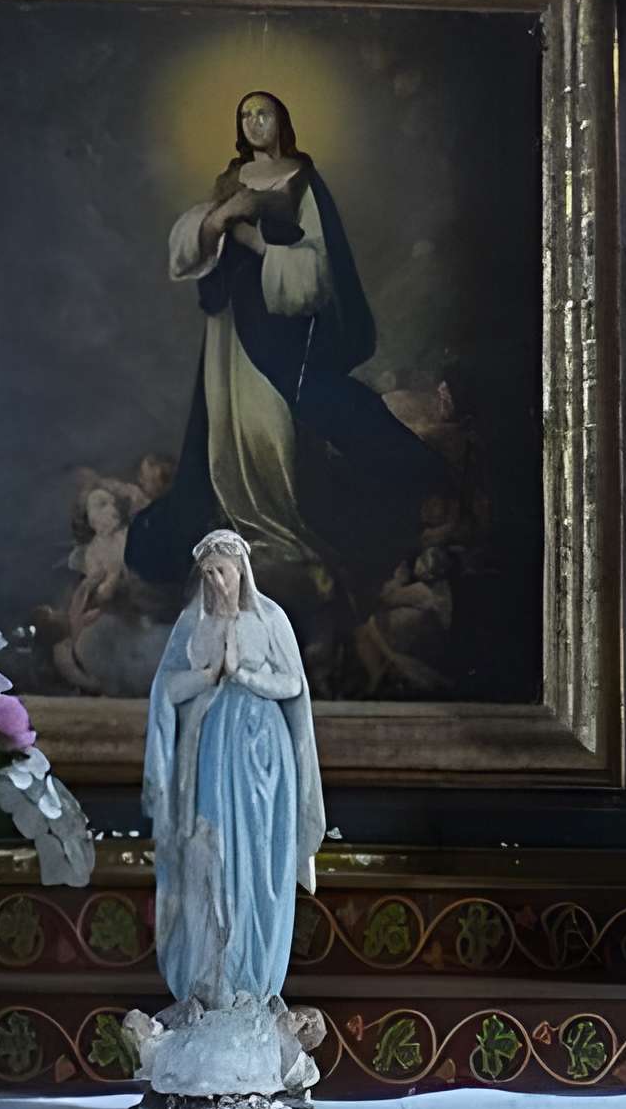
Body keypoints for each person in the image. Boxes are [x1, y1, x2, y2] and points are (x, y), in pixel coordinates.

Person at [124, 87, 435, 599]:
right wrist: (221, 219)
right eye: (245, 114)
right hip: (227, 325)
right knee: (226, 420)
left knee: (272, 420)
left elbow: (318, 264)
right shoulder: (231, 178)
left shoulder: (302, 180)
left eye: (263, 113)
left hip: (277, 326)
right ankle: (234, 515)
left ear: (281, 121)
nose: (253, 122)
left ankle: (277, 514)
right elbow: (190, 244)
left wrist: (256, 243)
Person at [141, 531, 324, 1015]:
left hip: (261, 759)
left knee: (256, 862)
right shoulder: (191, 623)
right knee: (210, 854)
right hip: (207, 755)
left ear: (242, 569)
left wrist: (244, 677)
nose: (216, 581)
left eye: (222, 570)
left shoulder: (269, 620)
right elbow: (167, 690)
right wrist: (207, 676)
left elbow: (292, 686)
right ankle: (209, 980)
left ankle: (250, 983)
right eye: (208, 573)